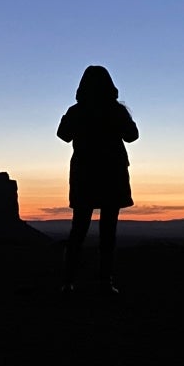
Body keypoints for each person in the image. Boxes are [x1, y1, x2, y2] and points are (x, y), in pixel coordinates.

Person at [57, 66, 139, 295]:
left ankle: (68, 282)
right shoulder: (116, 110)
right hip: (112, 173)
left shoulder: (77, 110)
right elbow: (133, 136)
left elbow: (62, 135)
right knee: (108, 231)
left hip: (85, 173)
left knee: (78, 229)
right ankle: (105, 282)